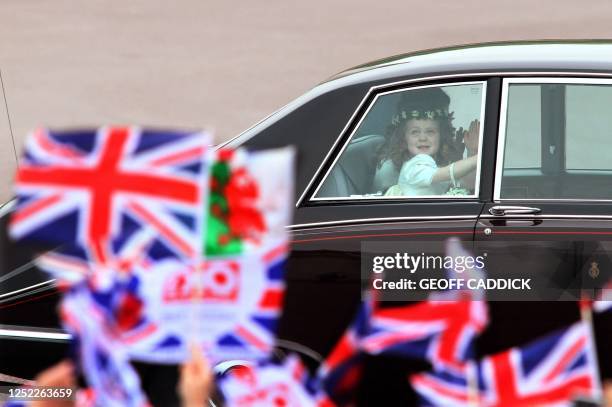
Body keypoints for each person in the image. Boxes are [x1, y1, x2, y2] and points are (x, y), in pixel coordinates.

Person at [374, 87, 479, 196]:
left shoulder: (432, 163)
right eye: (415, 132)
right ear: (404, 139)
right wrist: (476, 158)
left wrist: (473, 151)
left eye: (430, 131)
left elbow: (469, 184)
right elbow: (448, 173)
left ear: (441, 136)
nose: (423, 138)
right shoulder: (414, 167)